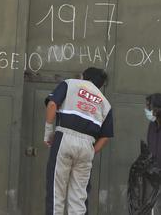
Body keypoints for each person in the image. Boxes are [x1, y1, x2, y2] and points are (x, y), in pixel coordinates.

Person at [44, 67, 114, 215]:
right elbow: (105, 136)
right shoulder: (105, 103)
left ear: (84, 76)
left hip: (65, 138)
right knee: (78, 197)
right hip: (88, 145)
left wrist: (48, 133)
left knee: (56, 192)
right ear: (100, 84)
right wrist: (91, 151)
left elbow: (52, 105)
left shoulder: (70, 84)